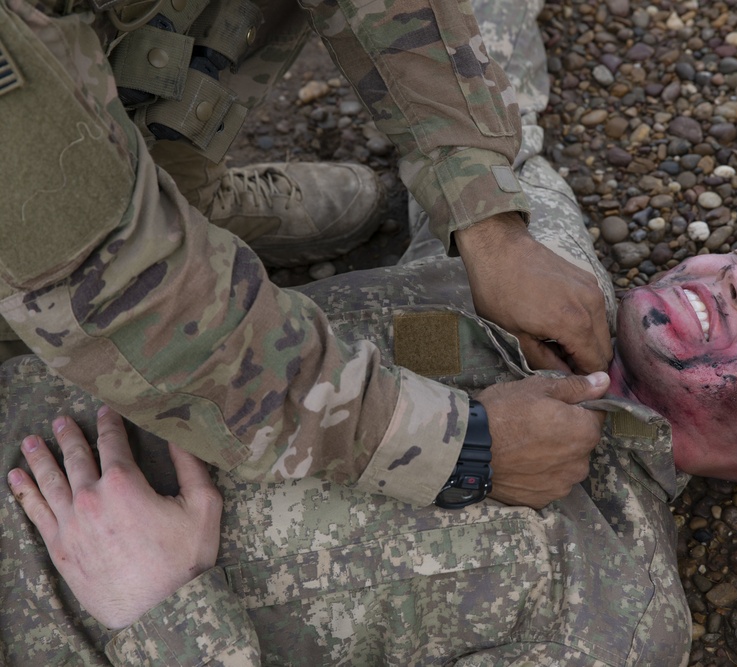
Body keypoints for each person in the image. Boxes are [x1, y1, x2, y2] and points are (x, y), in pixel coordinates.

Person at [0, 222, 737, 665]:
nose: (728, 281)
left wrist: (158, 608)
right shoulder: (543, 272)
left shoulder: (618, 619)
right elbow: (486, 96)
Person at [0, 0, 614, 511]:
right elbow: (124, 301)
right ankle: (127, 228)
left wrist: (485, 214)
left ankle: (170, 196)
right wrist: (453, 446)